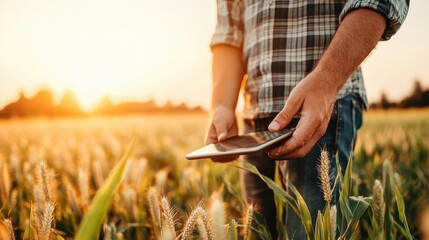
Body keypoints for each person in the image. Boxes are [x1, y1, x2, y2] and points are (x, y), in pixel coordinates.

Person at [205, 0, 409, 238]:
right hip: (253, 121)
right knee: (255, 233)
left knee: (309, 233)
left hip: (324, 108)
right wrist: (221, 104)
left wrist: (327, 79)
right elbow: (229, 33)